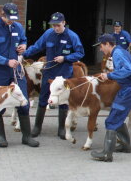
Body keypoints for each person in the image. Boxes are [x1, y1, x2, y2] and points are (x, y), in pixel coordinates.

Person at [0, 3, 39, 149]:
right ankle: (0, 136)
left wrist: (23, 46)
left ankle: (27, 136)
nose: (11, 21)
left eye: (14, 18)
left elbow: (23, 39)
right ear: (2, 14)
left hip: (16, 71)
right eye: (9, 18)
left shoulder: (17, 27)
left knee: (23, 101)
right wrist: (6, 61)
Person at [24, 12, 85, 140]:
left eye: (58, 25)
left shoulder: (72, 36)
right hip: (49, 72)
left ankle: (62, 129)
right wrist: (24, 54)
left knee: (63, 100)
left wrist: (66, 58)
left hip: (64, 73)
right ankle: (37, 127)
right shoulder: (48, 34)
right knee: (43, 98)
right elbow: (37, 46)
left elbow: (80, 53)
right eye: (53, 25)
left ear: (64, 23)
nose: (55, 28)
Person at [91, 34, 131, 162]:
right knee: (116, 115)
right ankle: (125, 146)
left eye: (101, 46)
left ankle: (107, 154)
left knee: (112, 120)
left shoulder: (117, 54)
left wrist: (109, 76)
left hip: (129, 91)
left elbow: (128, 70)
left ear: (108, 44)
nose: (100, 49)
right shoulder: (123, 51)